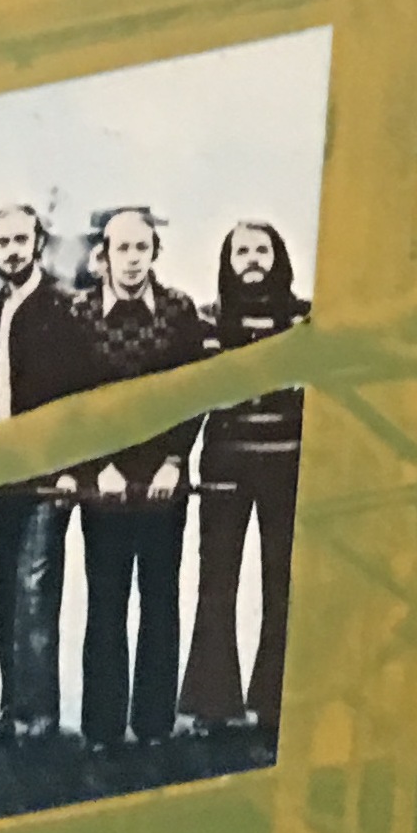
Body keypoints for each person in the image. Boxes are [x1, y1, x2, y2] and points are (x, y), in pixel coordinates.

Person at [71, 207, 210, 748]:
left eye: (141, 249)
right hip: (104, 479)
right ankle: (102, 728)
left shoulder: (179, 311)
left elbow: (193, 391)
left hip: (164, 477)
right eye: (122, 249)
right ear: (103, 255)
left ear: (155, 253)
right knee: (106, 601)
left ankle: (154, 724)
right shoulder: (80, 314)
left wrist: (174, 461)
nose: (132, 260)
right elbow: (73, 400)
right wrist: (96, 466)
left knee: (160, 597)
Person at [180, 221, 309, 733]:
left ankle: (276, 702)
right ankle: (213, 704)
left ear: (278, 258)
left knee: (283, 581)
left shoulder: (306, 320)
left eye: (262, 250)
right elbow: (191, 397)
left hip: (288, 463)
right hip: (225, 465)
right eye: (242, 251)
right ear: (227, 261)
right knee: (217, 581)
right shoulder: (208, 322)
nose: (252, 259)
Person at [0, 201, 91, 739]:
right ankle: (12, 708)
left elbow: (79, 399)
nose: (12, 251)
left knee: (36, 590)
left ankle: (39, 718)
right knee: (6, 593)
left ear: (39, 244)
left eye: (21, 240)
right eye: (2, 242)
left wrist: (70, 467)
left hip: (48, 474)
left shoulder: (64, 309)